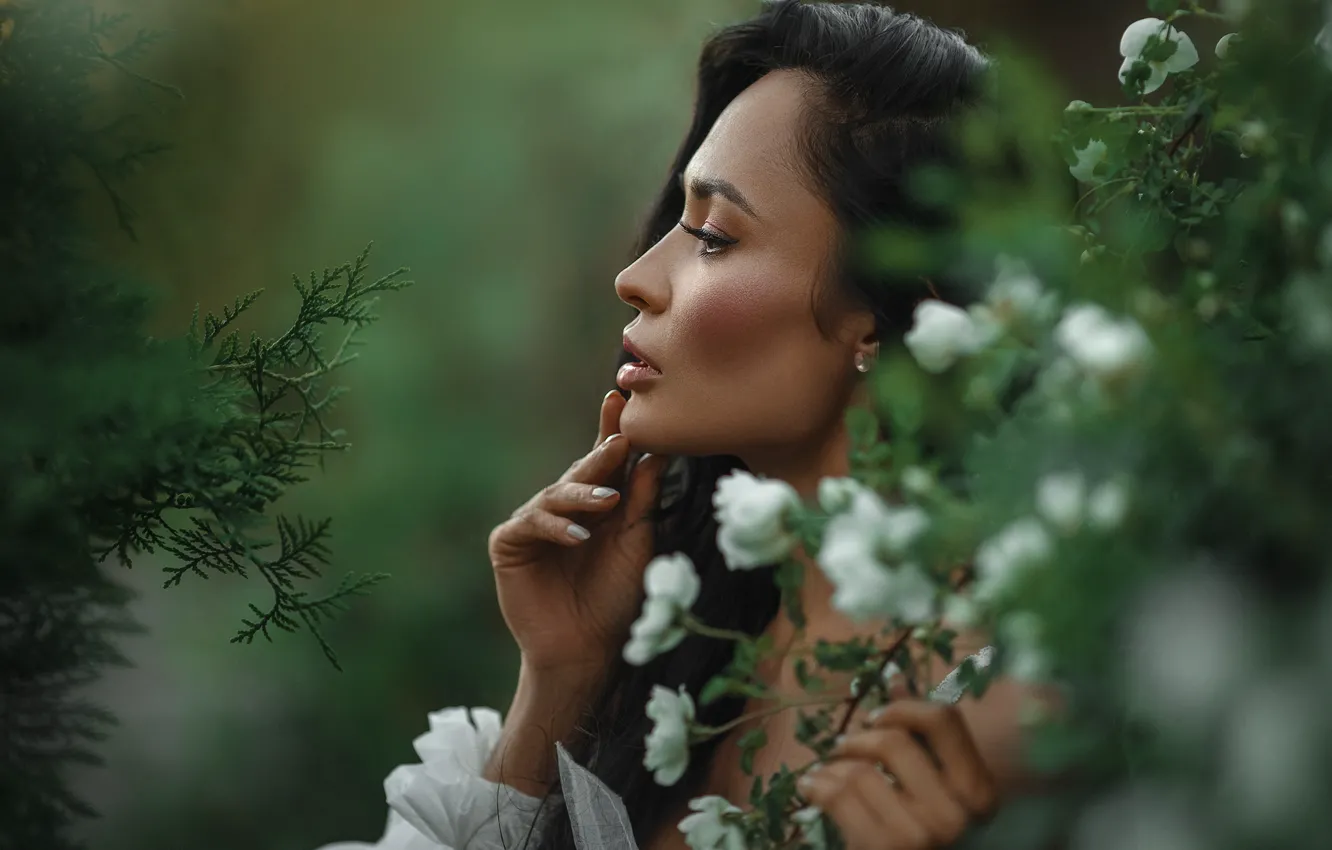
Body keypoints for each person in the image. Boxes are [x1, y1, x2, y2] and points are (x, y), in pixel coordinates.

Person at [317, 2, 1060, 849]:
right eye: (680, 217)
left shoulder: (1005, 711)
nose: (636, 277)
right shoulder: (686, 637)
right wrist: (557, 685)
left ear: (893, 317)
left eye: (712, 235)